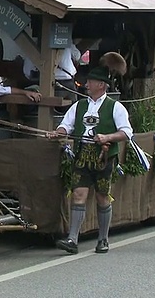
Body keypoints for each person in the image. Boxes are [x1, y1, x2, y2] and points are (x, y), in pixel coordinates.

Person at [47, 52, 132, 254]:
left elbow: (127, 133)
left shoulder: (115, 107)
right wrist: (56, 133)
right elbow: (65, 126)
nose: (86, 84)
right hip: (82, 156)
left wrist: (107, 138)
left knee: (103, 197)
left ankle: (103, 240)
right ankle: (72, 240)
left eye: (91, 81)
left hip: (103, 158)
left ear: (101, 85)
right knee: (78, 194)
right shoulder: (79, 106)